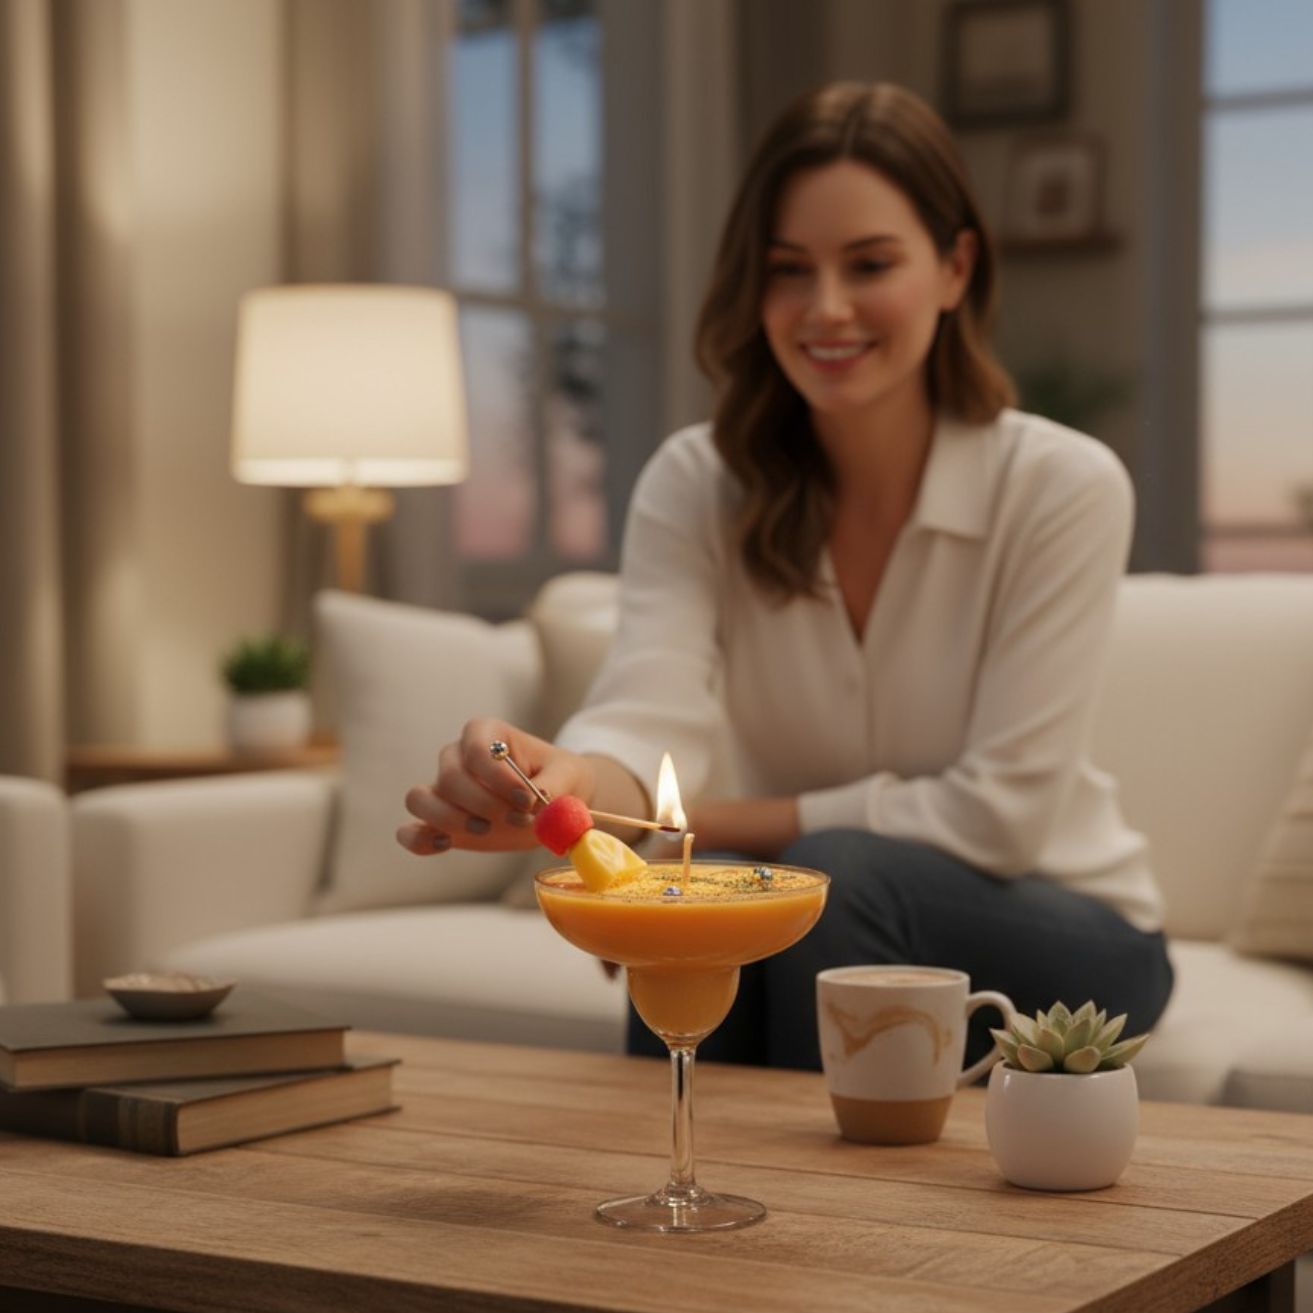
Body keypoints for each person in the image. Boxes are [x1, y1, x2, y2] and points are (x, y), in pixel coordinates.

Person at [398, 81, 1174, 1070]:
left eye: (869, 264)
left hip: (1071, 930)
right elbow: (649, 707)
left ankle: (808, 1176)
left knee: (794, 873)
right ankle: (677, 1165)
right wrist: (575, 782)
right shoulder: (696, 481)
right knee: (716, 896)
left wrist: (680, 834)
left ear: (954, 268)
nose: (826, 307)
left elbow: (999, 816)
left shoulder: (1060, 485)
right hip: (827, 897)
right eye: (787, 270)